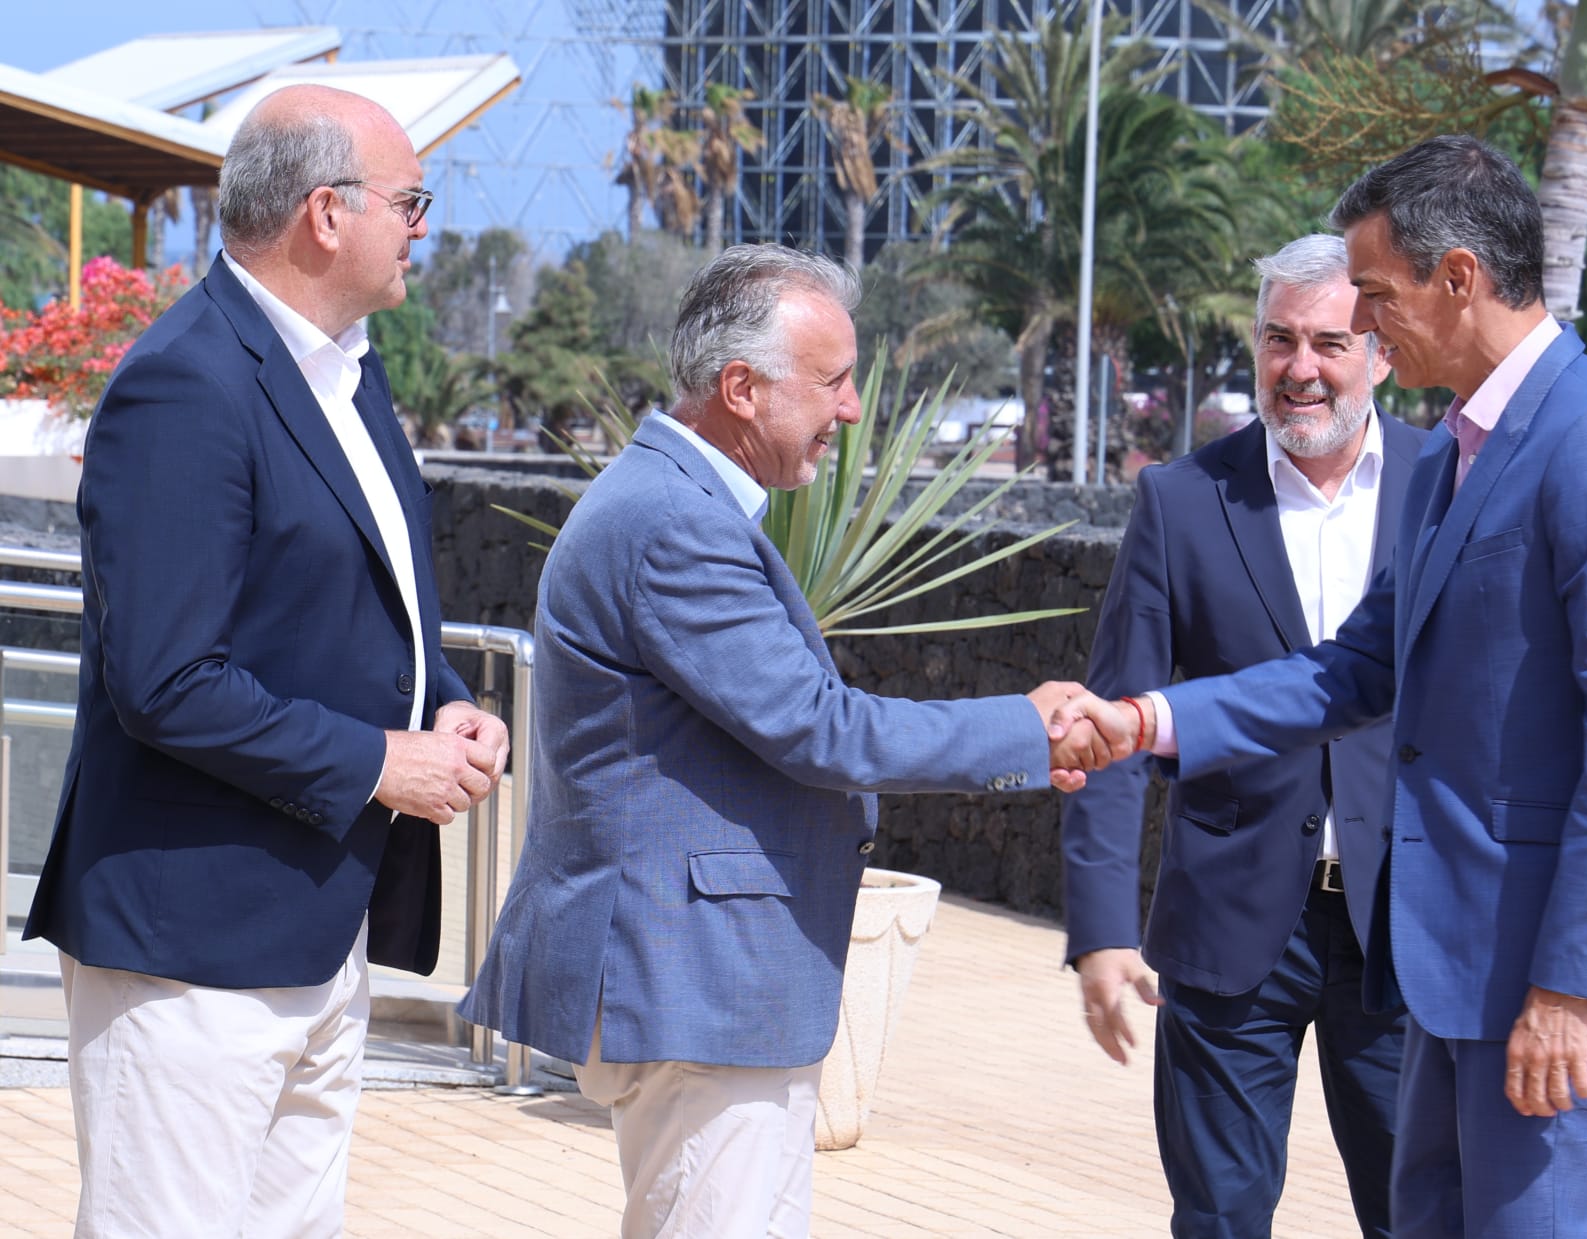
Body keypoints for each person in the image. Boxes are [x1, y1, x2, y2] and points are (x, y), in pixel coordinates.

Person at [1061, 136, 1587, 1238]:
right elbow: (1351, 671)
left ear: (1456, 277)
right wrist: (1144, 720)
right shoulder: (1458, 452)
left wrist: (1570, 984)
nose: (1363, 328)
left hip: (1539, 969)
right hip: (1450, 955)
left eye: (1372, 296)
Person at [459, 243, 1126, 1239]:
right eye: (832, 381)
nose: (852, 409)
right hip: (698, 987)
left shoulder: (671, 504)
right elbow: (822, 732)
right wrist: (1025, 728)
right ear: (741, 388)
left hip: (715, 986)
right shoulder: (674, 524)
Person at [25, 85, 510, 1237]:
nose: (425, 227)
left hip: (317, 926)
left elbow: (357, 608)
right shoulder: (187, 380)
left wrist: (442, 703)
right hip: (191, 946)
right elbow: (165, 679)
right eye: (410, 201)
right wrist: (379, 764)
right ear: (325, 214)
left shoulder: (348, 375)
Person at [1062, 233, 1424, 1238]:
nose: (1298, 369)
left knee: (1421, 1216)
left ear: (1381, 351)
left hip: (1404, 929)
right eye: (1277, 340)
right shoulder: (1181, 502)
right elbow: (1113, 719)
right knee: (1218, 1217)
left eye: (1326, 342)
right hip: (1230, 931)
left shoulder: (1449, 488)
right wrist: (1098, 931)